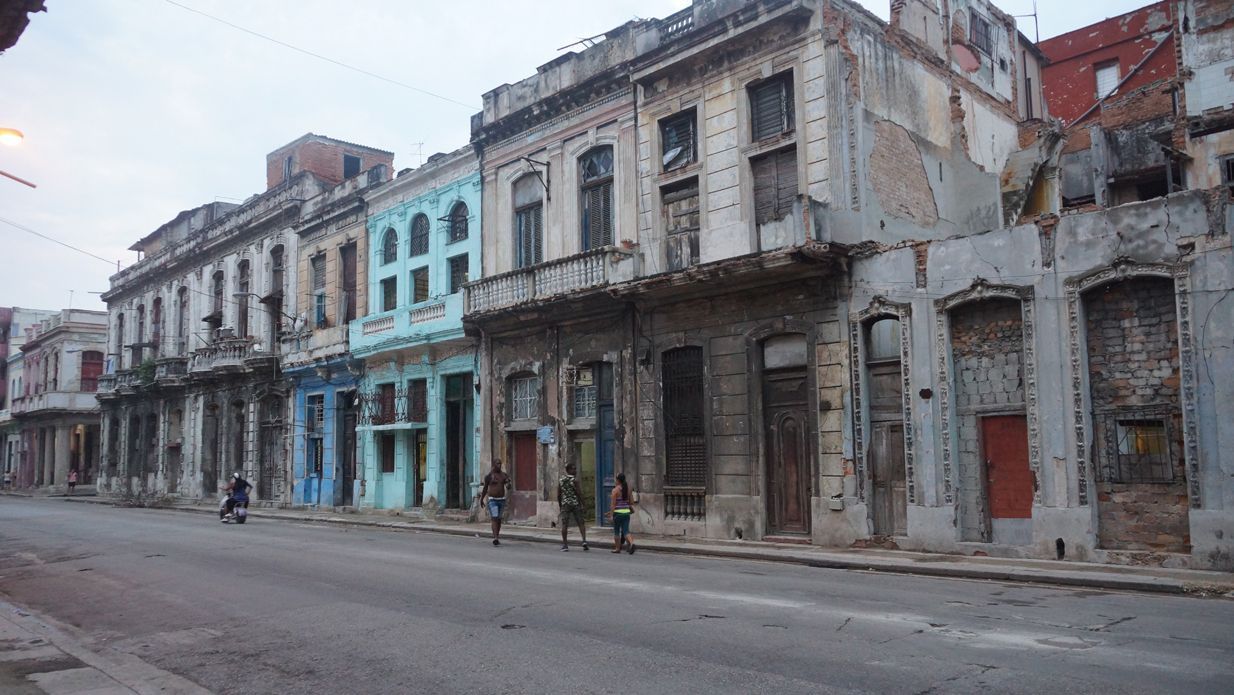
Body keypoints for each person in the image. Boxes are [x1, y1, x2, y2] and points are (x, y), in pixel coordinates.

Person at [478, 459, 511, 546]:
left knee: (499, 519)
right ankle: (495, 537)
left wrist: (508, 484)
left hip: (501, 500)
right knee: (494, 517)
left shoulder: (503, 475)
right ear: (494, 465)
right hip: (492, 500)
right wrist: (481, 499)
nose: (499, 465)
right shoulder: (489, 476)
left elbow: (508, 485)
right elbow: (485, 488)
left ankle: (497, 536)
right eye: (497, 464)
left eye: (500, 464)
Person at [557, 462, 588, 551]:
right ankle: (584, 541)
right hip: (575, 503)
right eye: (573, 469)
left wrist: (560, 505)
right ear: (568, 470)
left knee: (564, 524)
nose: (575, 470)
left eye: (575, 469)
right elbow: (579, 493)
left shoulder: (561, 480)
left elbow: (559, 494)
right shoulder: (575, 480)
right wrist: (584, 504)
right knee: (581, 522)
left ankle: (565, 545)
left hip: (565, 504)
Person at [608, 472, 636, 554]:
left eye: (615, 479)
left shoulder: (615, 490)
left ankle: (617, 548)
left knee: (616, 531)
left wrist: (611, 515)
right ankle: (632, 543)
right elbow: (632, 502)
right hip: (626, 513)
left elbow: (613, 504)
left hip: (617, 513)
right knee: (626, 531)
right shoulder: (628, 489)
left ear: (618, 480)